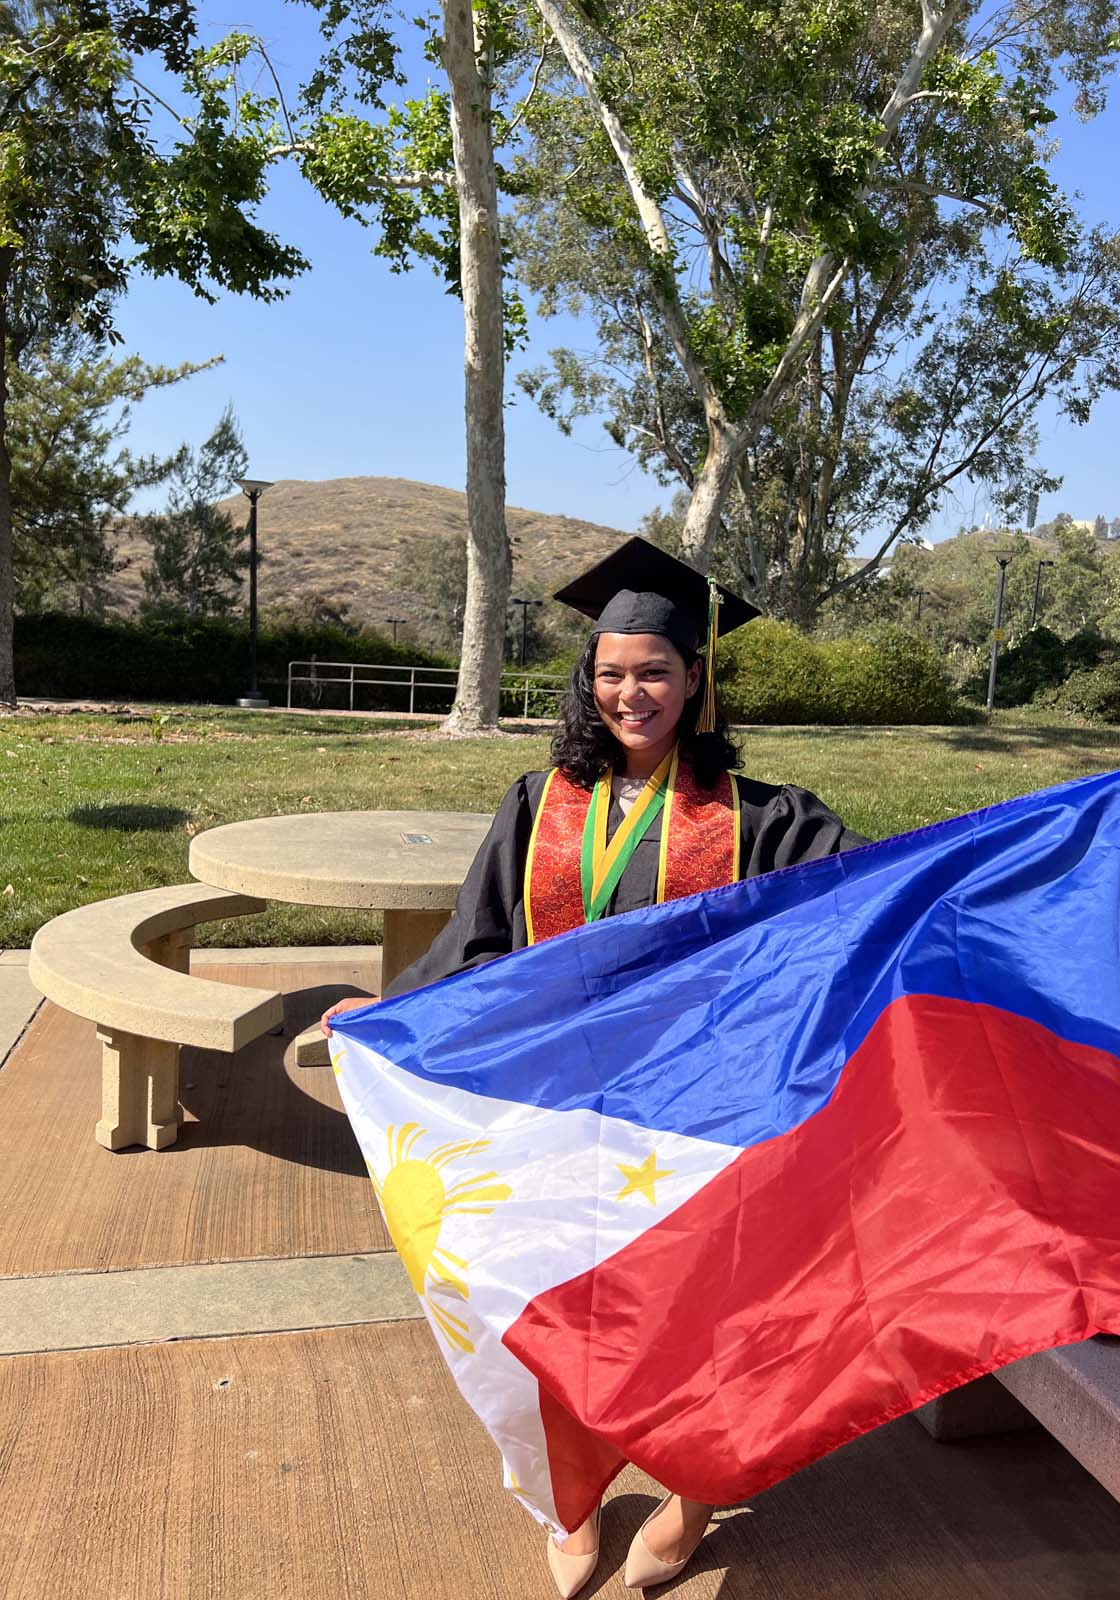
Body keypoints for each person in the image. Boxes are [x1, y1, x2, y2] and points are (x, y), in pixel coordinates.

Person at [322, 536, 867, 1595]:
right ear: (590, 678)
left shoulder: (765, 820)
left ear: (695, 678)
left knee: (700, 1313)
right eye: (612, 673)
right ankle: (573, 1501)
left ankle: (692, 1495)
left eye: (655, 671)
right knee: (560, 1299)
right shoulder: (538, 804)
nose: (632, 693)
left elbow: (847, 920)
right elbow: (474, 950)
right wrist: (390, 1018)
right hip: (560, 1116)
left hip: (696, 1126)